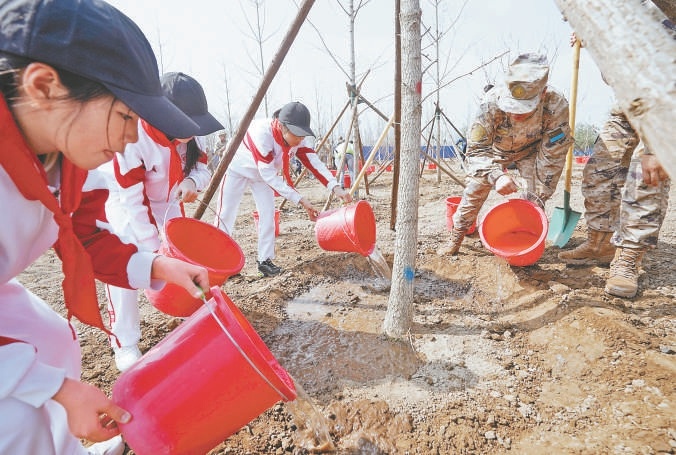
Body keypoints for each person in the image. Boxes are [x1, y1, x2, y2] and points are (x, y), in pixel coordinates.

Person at [0, 1, 211, 454]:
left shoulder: (64, 160)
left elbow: (84, 236)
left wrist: (158, 265)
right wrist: (58, 390)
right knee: (13, 417)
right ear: (44, 87)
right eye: (126, 116)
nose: (134, 136)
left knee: (52, 341)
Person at [100, 72, 223, 371]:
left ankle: (185, 312)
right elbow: (133, 201)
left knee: (183, 256)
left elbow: (203, 167)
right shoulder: (133, 137)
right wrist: (155, 253)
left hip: (167, 201)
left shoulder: (194, 130)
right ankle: (125, 342)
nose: (194, 132)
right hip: (123, 201)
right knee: (126, 262)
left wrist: (193, 180)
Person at [558, 36, 671, 298]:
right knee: (599, 169)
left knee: (648, 174)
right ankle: (600, 244)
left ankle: (629, 257)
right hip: (628, 107)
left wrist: (656, 149)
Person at [438, 53, 571, 256]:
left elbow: (552, 155)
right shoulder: (490, 103)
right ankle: (456, 236)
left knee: (534, 196)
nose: (515, 114)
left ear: (542, 94)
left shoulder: (556, 106)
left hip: (531, 152)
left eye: (524, 109)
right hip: (494, 151)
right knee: (474, 190)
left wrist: (539, 195)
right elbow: (476, 150)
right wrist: (496, 175)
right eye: (511, 107)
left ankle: (527, 241)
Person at [214, 101, 352, 277]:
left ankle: (264, 260)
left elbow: (314, 162)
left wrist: (335, 187)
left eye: (303, 134)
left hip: (263, 174)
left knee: (268, 213)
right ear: (281, 126)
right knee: (225, 213)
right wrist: (300, 200)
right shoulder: (261, 133)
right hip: (237, 168)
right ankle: (219, 259)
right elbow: (270, 176)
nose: (301, 139)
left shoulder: (296, 139)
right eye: (297, 134)